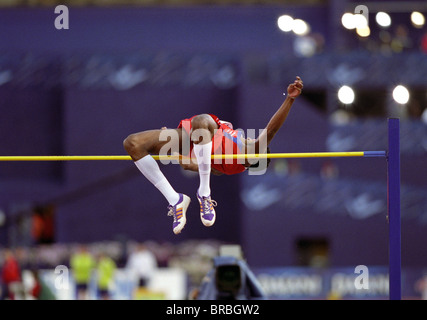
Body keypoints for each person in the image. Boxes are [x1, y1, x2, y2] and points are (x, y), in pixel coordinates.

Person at [123, 76, 303, 234]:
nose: (253, 138)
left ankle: (204, 194)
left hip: (197, 133)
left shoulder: (246, 156)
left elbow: (271, 130)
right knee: (132, 143)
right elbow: (189, 164)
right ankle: (175, 199)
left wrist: (290, 99)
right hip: (192, 134)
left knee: (202, 121)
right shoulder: (235, 141)